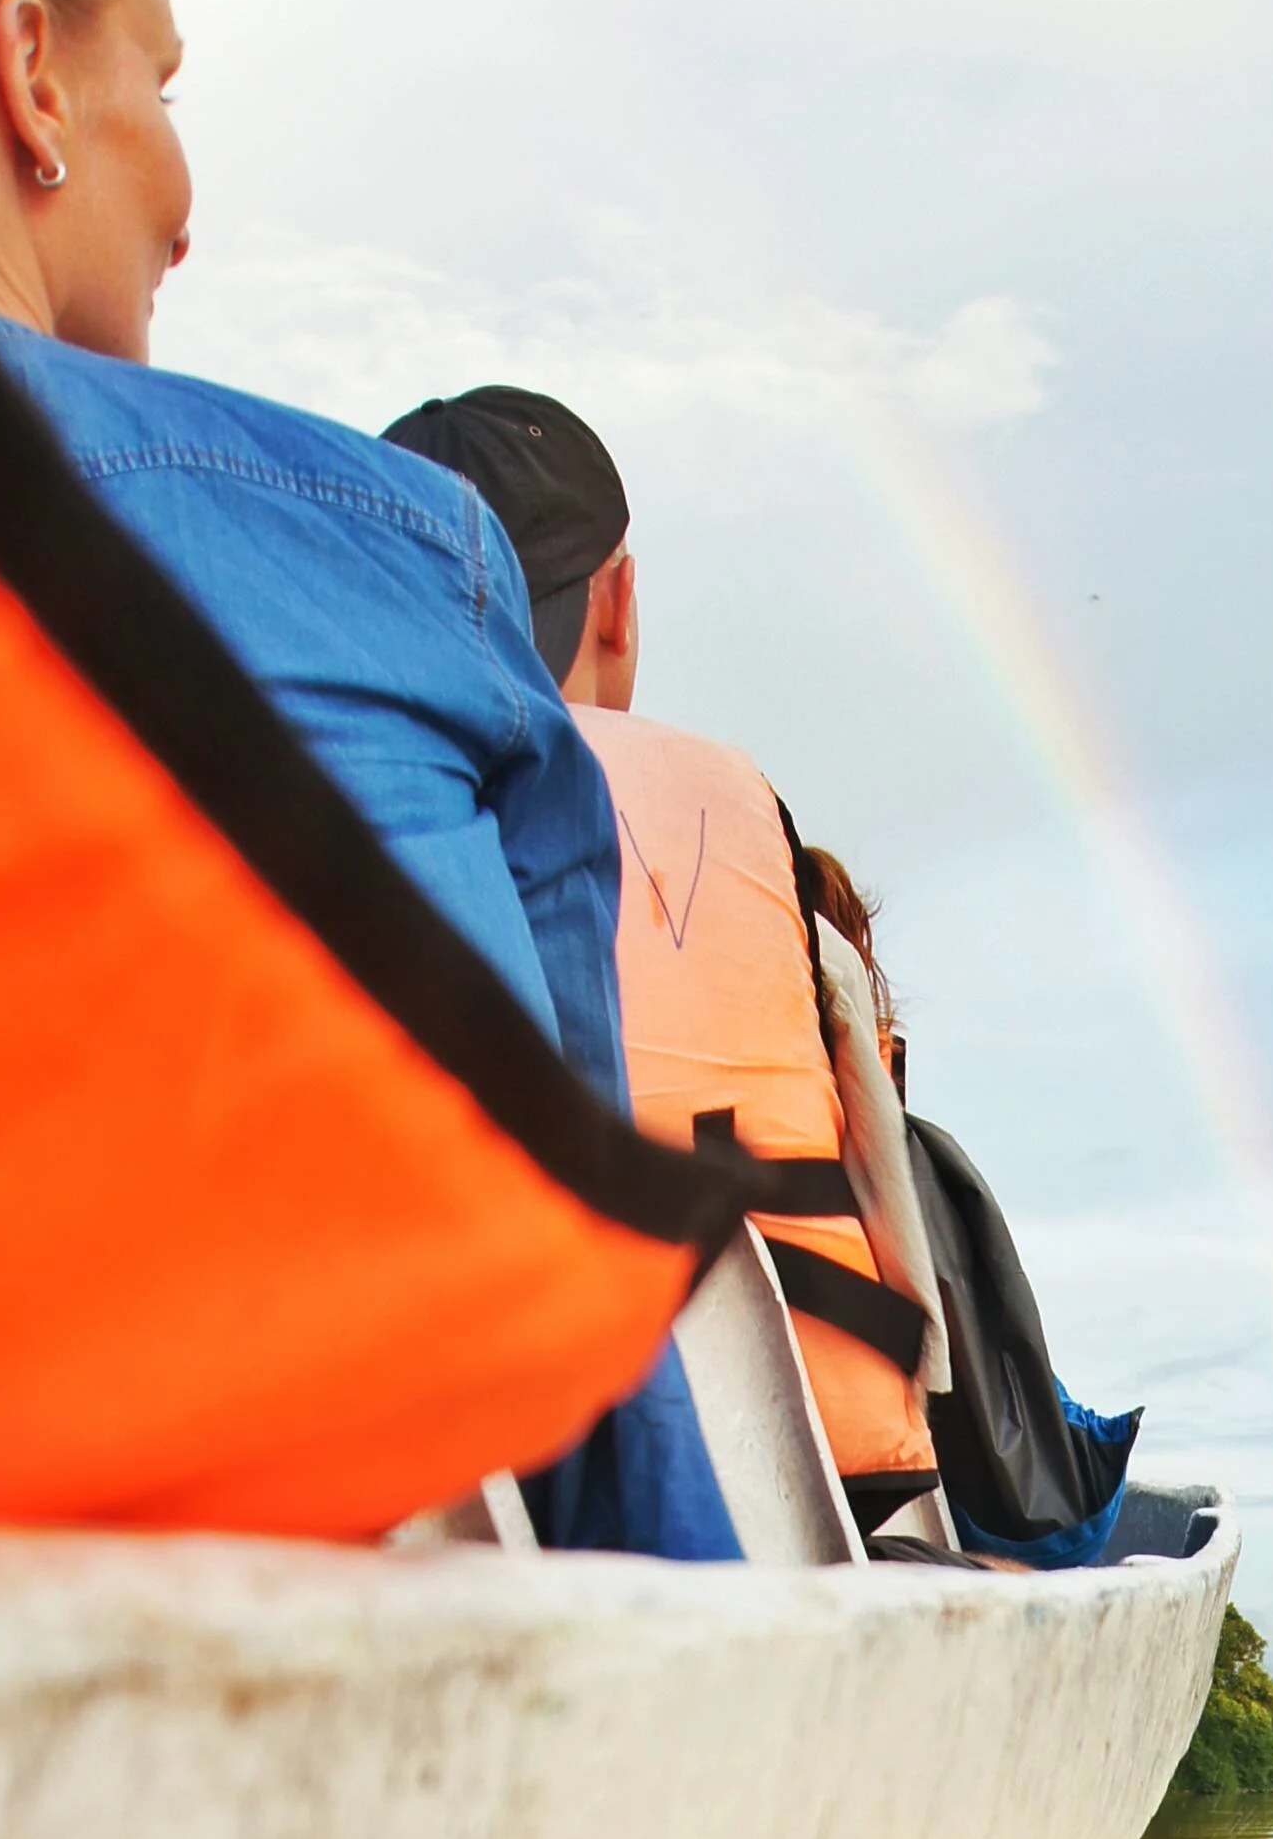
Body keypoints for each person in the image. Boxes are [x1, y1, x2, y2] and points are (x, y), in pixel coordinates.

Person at [0, 0, 739, 1562]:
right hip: (287, 1566)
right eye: (161, 86)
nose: (186, 196)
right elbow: (583, 1304)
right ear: (28, 73)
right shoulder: (390, 544)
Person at [385, 387, 958, 1544]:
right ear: (619, 602)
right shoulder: (753, 834)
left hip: (426, 1450)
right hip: (811, 1464)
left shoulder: (332, 801)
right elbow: (893, 1205)